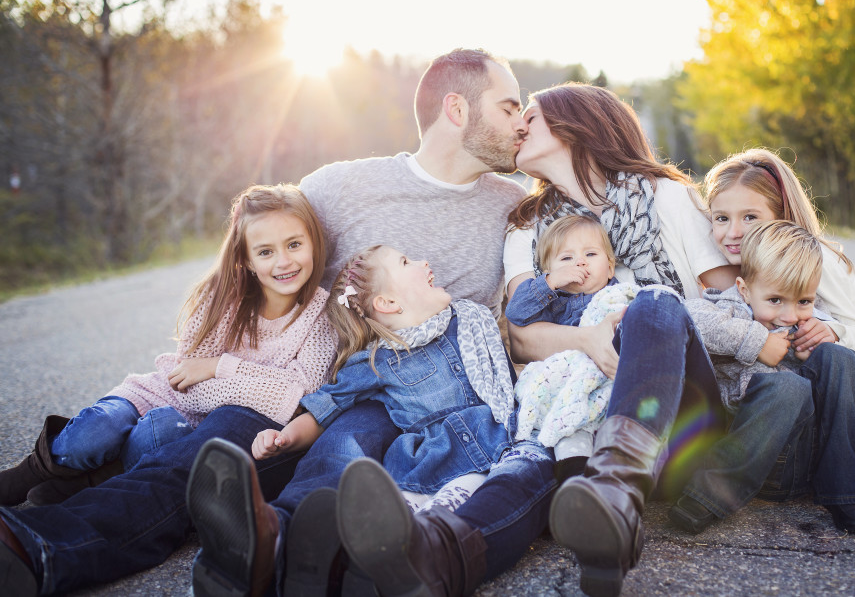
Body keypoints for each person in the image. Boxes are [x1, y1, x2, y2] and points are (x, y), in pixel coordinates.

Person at [0, 48, 536, 597]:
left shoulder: (515, 206)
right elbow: (265, 245)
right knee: (214, 441)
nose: (522, 122)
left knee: (344, 442)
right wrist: (225, 357)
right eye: (509, 106)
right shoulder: (341, 187)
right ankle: (36, 545)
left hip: (425, 406)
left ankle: (276, 544)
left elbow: (576, 261)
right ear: (456, 108)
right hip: (324, 390)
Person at [503, 83, 736, 597]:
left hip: (685, 421)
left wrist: (643, 323)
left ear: (574, 126)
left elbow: (730, 304)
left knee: (652, 301)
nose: (518, 125)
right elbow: (521, 337)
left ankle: (614, 486)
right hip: (586, 422)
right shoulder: (528, 228)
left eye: (532, 117)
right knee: (647, 304)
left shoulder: (667, 198)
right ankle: (615, 500)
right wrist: (589, 338)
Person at [189, 245, 516, 595]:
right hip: (428, 461)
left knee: (448, 509)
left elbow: (507, 375)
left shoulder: (471, 321)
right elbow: (326, 406)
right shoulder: (376, 361)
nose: (424, 262)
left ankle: (371, 565)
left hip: (491, 445)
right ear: (387, 303)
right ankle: (288, 555)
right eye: (406, 261)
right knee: (417, 507)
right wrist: (284, 437)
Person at [0, 184, 336, 507]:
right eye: (265, 252)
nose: (284, 262)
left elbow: (295, 399)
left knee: (161, 434)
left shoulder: (321, 317)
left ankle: (89, 482)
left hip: (186, 430)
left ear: (313, 242)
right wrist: (254, 384)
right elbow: (189, 386)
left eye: (294, 244)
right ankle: (33, 472)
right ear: (246, 259)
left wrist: (218, 366)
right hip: (156, 394)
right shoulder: (221, 297)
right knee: (91, 436)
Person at [696, 148, 855, 489]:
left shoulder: (812, 259)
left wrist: (831, 331)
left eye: (750, 218)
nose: (734, 232)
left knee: (846, 458)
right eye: (722, 218)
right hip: (782, 393)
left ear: (781, 216)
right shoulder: (731, 267)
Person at [672, 220, 855, 534]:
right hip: (757, 459)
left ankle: (847, 494)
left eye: (804, 302)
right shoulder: (728, 311)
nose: (790, 316)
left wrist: (832, 358)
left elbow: (850, 385)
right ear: (744, 289)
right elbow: (685, 318)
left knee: (839, 356)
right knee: (787, 386)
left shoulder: (810, 326)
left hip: (810, 465)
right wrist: (756, 341)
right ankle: (709, 494)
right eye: (775, 300)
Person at [505, 214, 637, 467]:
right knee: (568, 426)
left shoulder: (617, 295)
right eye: (566, 259)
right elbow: (516, 313)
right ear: (548, 273)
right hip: (568, 381)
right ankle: (573, 472)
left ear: (610, 267)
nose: (579, 263)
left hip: (609, 378)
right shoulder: (551, 301)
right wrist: (550, 284)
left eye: (590, 255)